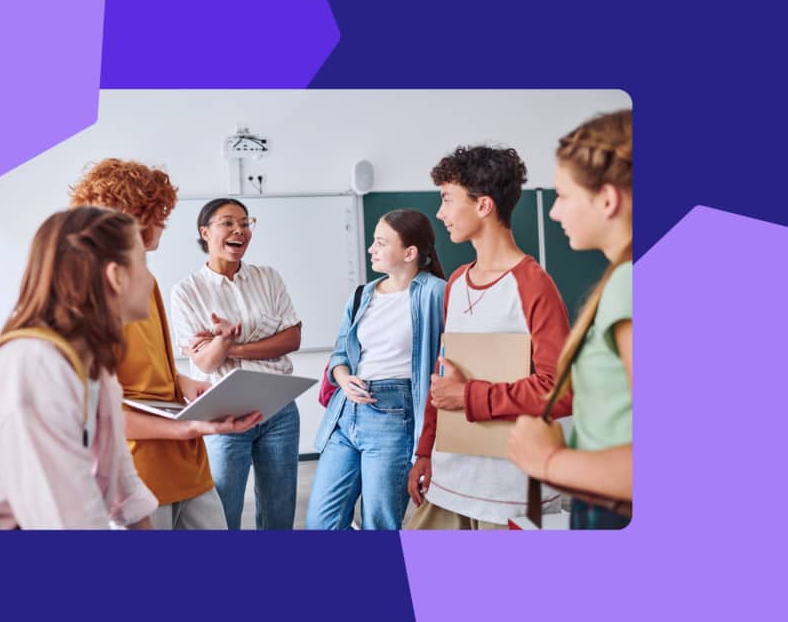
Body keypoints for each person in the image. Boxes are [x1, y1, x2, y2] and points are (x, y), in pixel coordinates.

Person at [69, 159, 260, 530]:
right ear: (131, 216)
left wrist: (183, 384)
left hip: (187, 463)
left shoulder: (147, 279)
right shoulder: (86, 290)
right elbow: (94, 410)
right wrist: (189, 428)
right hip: (135, 469)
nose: (164, 222)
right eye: (158, 213)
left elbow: (149, 362)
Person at [406, 145, 572, 530]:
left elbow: (561, 391)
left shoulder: (534, 285)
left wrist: (469, 396)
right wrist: (425, 451)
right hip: (449, 480)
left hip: (510, 492)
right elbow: (442, 376)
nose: (440, 213)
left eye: (447, 200)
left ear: (483, 206)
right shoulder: (456, 282)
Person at [0, 206, 158, 529]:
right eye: (143, 263)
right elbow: (70, 527)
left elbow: (128, 494)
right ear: (116, 276)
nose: (150, 279)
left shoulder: (97, 371)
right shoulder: (35, 369)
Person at [508, 110, 633, 529]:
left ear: (608, 199)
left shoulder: (629, 283)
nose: (554, 213)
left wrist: (546, 459)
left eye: (562, 195)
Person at [306, 209, 446, 530]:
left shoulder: (434, 292)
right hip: (346, 415)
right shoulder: (362, 295)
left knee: (379, 524)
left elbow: (452, 358)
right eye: (373, 242)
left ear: (409, 253)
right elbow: (340, 355)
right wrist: (342, 378)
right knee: (320, 524)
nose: (372, 249)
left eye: (381, 243)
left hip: (394, 417)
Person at [169, 198, 302, 530]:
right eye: (228, 223)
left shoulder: (268, 277)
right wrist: (223, 343)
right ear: (205, 232)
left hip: (279, 408)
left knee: (279, 509)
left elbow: (292, 339)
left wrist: (232, 347)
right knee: (221, 509)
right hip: (223, 413)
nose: (239, 230)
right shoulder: (187, 291)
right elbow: (205, 361)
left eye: (245, 222)